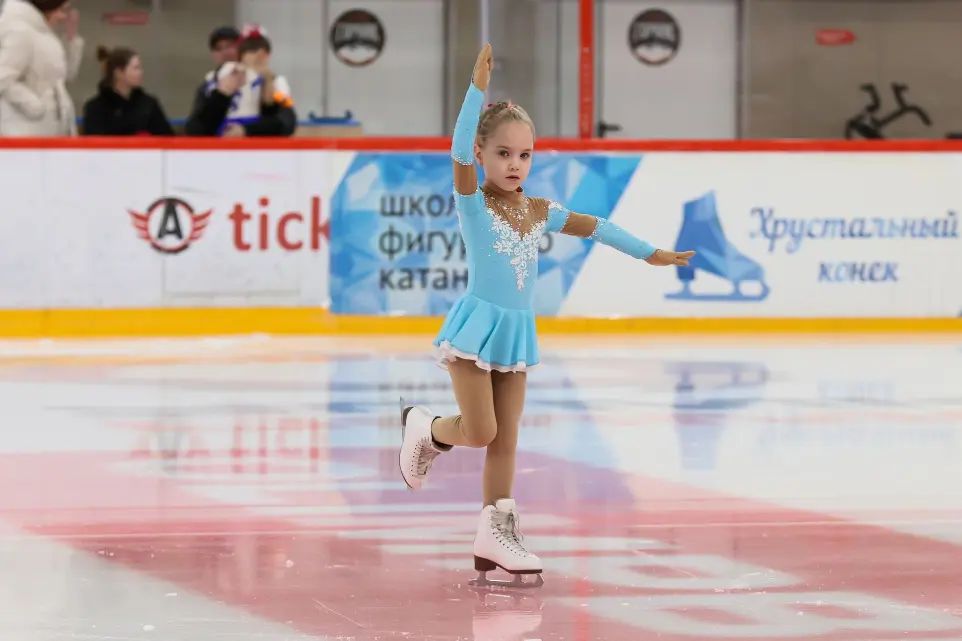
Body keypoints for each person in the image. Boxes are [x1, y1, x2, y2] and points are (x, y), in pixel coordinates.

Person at [398, 44, 695, 587]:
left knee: (506, 438)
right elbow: (457, 151)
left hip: (515, 333)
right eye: (503, 153)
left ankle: (495, 533)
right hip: (475, 330)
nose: (515, 164)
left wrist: (651, 253)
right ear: (483, 155)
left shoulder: (539, 211)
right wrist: (476, 88)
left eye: (525, 155)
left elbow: (598, 226)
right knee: (481, 430)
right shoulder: (472, 200)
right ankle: (428, 428)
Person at [185, 25, 295, 137]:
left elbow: (287, 123)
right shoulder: (209, 84)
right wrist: (221, 95)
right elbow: (194, 129)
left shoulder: (272, 81)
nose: (225, 52)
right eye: (218, 49)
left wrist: (246, 130)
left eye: (230, 46)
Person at [0, 0, 83, 136]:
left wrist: (71, 42)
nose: (64, 17)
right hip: (25, 132)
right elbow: (3, 78)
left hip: (49, 131)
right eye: (62, 10)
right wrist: (34, 105)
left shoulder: (43, 35)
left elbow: (64, 78)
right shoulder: (20, 32)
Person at [81, 46, 173, 136]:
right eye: (136, 68)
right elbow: (92, 142)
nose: (141, 72)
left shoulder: (149, 105)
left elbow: (168, 139)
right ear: (119, 72)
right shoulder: (95, 108)